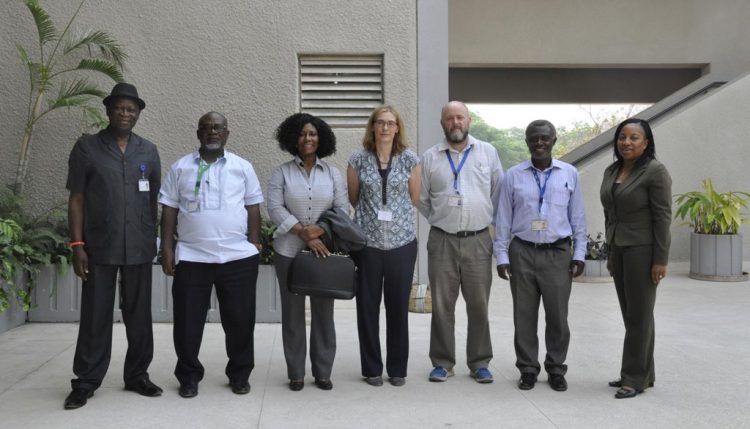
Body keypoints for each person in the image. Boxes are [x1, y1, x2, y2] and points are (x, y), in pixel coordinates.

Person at [64, 82, 162, 409]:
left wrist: (153, 239)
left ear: (138, 114)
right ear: (108, 111)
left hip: (138, 245)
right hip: (99, 246)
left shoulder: (148, 151)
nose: (125, 113)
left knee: (139, 314)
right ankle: (86, 381)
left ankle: (137, 376)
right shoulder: (87, 147)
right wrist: (78, 244)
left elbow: (152, 201)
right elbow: (77, 198)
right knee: (95, 314)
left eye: (131, 109)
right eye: (119, 107)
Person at [159, 112, 263, 398]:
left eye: (218, 128)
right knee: (187, 323)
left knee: (241, 322)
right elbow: (169, 209)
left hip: (237, 258)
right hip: (192, 257)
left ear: (227, 132)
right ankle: (189, 377)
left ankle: (240, 375)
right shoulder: (181, 167)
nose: (212, 132)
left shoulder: (242, 167)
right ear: (198, 133)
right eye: (207, 128)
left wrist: (254, 244)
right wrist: (167, 248)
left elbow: (253, 205)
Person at [494, 119, 586, 392]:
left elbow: (578, 217)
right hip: (522, 250)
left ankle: (556, 368)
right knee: (524, 315)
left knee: (557, 316)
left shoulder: (569, 173)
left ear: (554, 140)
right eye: (534, 138)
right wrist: (502, 256)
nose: (539, 143)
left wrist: (579, 253)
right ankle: (528, 369)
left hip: (558, 253)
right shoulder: (513, 175)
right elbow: (502, 219)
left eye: (545, 138)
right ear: (527, 141)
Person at [418, 101, 503, 384]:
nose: (455, 123)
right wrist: (442, 218)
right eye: (449, 119)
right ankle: (443, 362)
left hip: (479, 240)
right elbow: (421, 198)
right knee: (442, 305)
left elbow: (497, 192)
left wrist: (482, 218)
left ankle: (479, 362)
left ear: (469, 121)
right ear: (442, 124)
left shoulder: (487, 153)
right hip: (442, 240)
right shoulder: (430, 157)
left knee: (478, 304)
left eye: (460, 118)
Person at [267, 113, 347, 391]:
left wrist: (318, 232)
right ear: (293, 139)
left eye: (312, 134)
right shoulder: (281, 172)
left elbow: (342, 210)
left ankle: (323, 372)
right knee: (292, 313)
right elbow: (275, 208)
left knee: (324, 312)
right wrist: (302, 233)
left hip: (322, 252)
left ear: (321, 138)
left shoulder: (333, 174)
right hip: (288, 251)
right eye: (302, 134)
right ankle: (296, 373)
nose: (307, 138)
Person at [347, 105, 421, 387]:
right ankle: (372, 368)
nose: (386, 128)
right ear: (373, 127)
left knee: (397, 307)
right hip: (367, 244)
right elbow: (354, 198)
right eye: (380, 123)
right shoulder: (357, 160)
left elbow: (413, 198)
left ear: (397, 128)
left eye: (391, 123)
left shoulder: (409, 159)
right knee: (367, 307)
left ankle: (398, 369)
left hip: (402, 244)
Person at [600, 118, 671, 399]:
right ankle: (643, 372)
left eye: (634, 138)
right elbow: (609, 213)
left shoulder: (655, 171)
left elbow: (662, 217)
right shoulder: (612, 170)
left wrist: (660, 259)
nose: (626, 142)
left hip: (643, 251)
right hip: (618, 249)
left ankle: (633, 378)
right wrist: (609, 249)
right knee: (632, 315)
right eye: (622, 137)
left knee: (639, 316)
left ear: (646, 143)